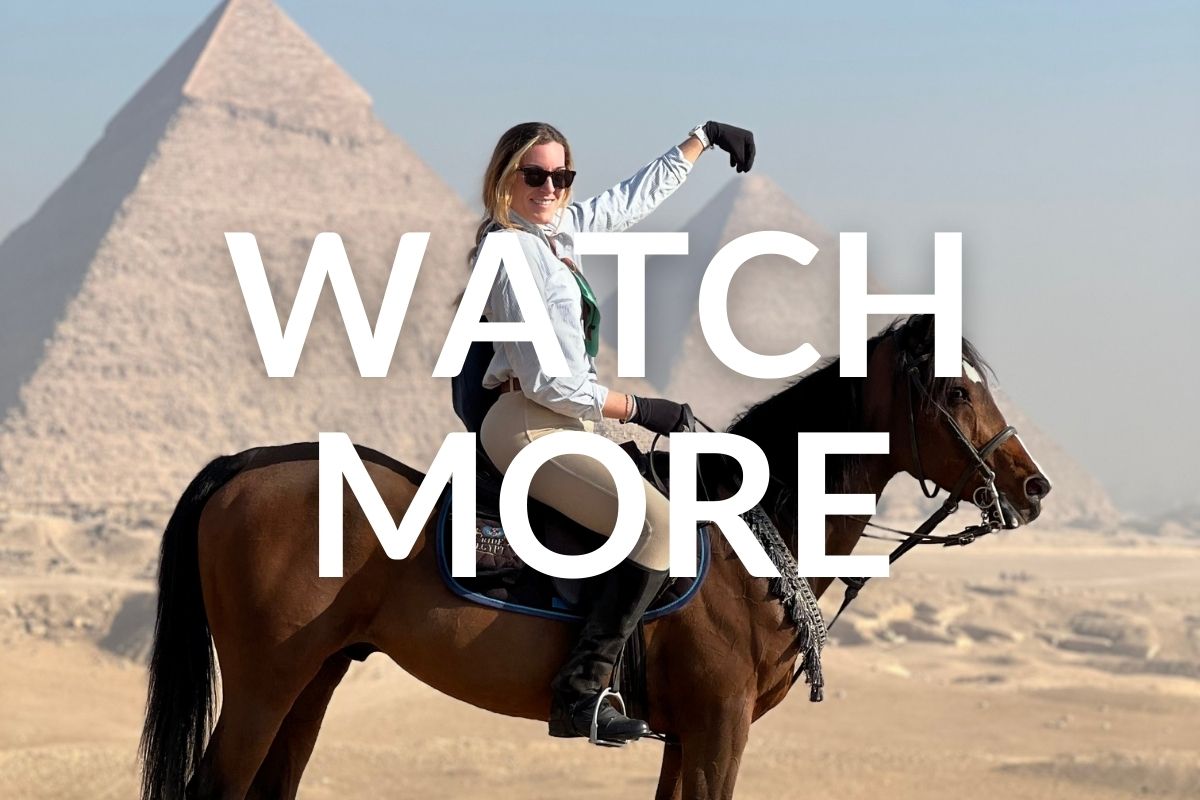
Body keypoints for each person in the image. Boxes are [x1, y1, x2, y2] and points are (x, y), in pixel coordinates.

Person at [470, 120, 755, 743]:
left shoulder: (552, 237)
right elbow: (547, 378)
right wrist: (639, 408)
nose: (551, 187)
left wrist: (700, 141)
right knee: (661, 527)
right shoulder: (512, 253)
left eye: (562, 176)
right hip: (529, 426)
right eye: (535, 175)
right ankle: (581, 693)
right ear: (504, 180)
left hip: (564, 423)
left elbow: (627, 201)